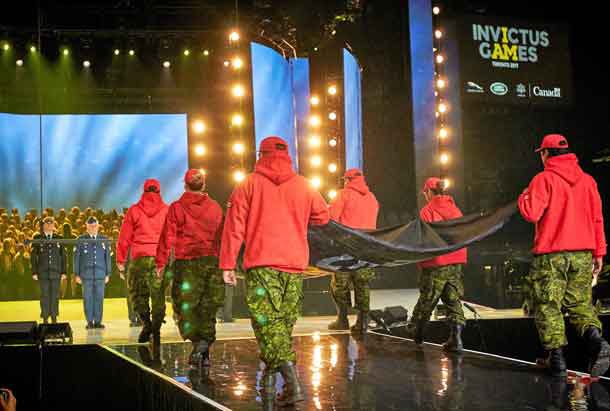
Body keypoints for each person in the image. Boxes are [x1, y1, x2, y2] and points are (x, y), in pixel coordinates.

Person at [220, 136, 330, 406]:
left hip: (262, 265)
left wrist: (227, 263)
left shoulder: (248, 184)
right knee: (279, 327)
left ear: (261, 154)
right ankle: (271, 386)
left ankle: (293, 384)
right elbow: (324, 216)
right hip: (294, 267)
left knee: (268, 327)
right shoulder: (304, 185)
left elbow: (234, 226)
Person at [518, 133, 608, 377]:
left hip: (552, 255)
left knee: (548, 305)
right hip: (584, 254)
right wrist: (599, 252)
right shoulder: (588, 181)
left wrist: (524, 195)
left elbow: (531, 213)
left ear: (546, 154)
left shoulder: (543, 179)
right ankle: (597, 340)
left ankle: (556, 359)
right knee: (580, 304)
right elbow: (598, 219)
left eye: (542, 154)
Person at [156, 169, 224, 367]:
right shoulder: (215, 207)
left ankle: (199, 344)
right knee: (207, 308)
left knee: (184, 308)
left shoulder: (176, 208)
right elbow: (222, 237)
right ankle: (203, 348)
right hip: (211, 263)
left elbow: (166, 237)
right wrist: (226, 264)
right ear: (203, 185)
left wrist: (160, 263)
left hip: (186, 264)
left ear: (185, 185)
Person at [405, 177, 467, 352]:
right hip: (455, 260)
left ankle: (417, 333)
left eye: (425, 192)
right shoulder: (456, 210)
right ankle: (457, 340)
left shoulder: (427, 211)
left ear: (430, 192)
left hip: (436, 262)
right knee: (452, 299)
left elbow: (424, 239)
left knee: (427, 298)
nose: (424, 196)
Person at [327, 168, 379, 333]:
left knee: (339, 284)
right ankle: (362, 322)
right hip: (366, 247)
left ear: (347, 180)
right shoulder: (372, 197)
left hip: (345, 247)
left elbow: (332, 219)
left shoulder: (343, 194)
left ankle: (342, 318)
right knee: (362, 283)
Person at [117, 179, 169, 344]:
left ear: (144, 191)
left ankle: (146, 324)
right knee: (159, 295)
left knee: (139, 295)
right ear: (159, 191)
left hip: (139, 259)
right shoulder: (166, 210)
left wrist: (120, 259)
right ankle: (157, 328)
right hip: (159, 259)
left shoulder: (134, 211)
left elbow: (124, 237)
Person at [74, 216, 112, 329]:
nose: (93, 228)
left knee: (99, 298)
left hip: (100, 274)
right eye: (90, 226)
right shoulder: (81, 239)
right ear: (87, 227)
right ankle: (90, 321)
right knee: (88, 298)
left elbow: (107, 258)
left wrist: (108, 273)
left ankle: (98, 321)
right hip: (86, 275)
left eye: (95, 226)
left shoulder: (103, 239)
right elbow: (76, 258)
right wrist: (76, 274)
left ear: (98, 226)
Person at [30, 217, 67, 324]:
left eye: (51, 224)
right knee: (44, 295)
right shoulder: (38, 238)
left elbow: (63, 256)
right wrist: (34, 271)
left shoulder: (58, 238)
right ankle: (45, 317)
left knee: (55, 295)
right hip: (43, 272)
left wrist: (64, 271)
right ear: (43, 226)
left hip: (56, 271)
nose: (49, 226)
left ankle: (54, 316)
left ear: (54, 226)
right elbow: (33, 256)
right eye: (47, 224)